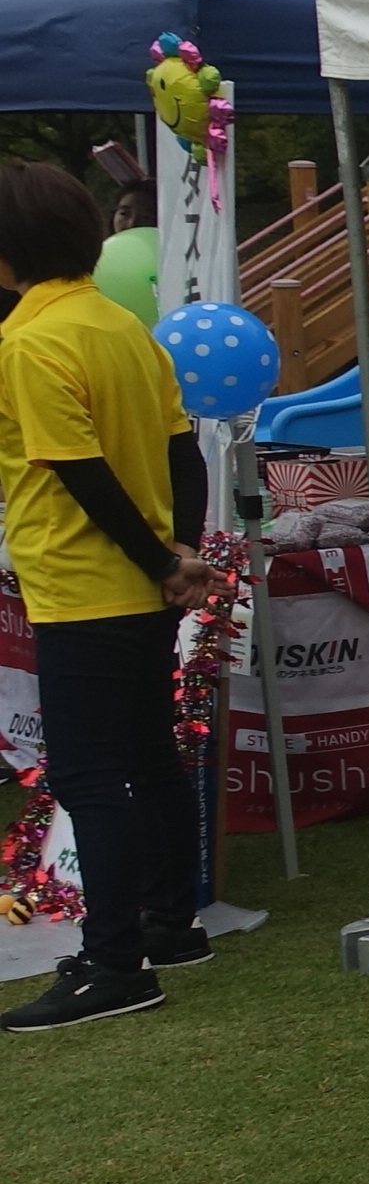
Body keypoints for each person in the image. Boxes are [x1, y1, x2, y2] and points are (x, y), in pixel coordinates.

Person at [0, 163, 215, 1034]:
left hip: (84, 587)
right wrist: (181, 552)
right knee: (150, 756)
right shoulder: (124, 326)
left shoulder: (29, 342)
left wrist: (163, 559)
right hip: (142, 585)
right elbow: (183, 452)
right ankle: (172, 923)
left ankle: (116, 963)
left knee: (91, 776)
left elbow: (81, 474)